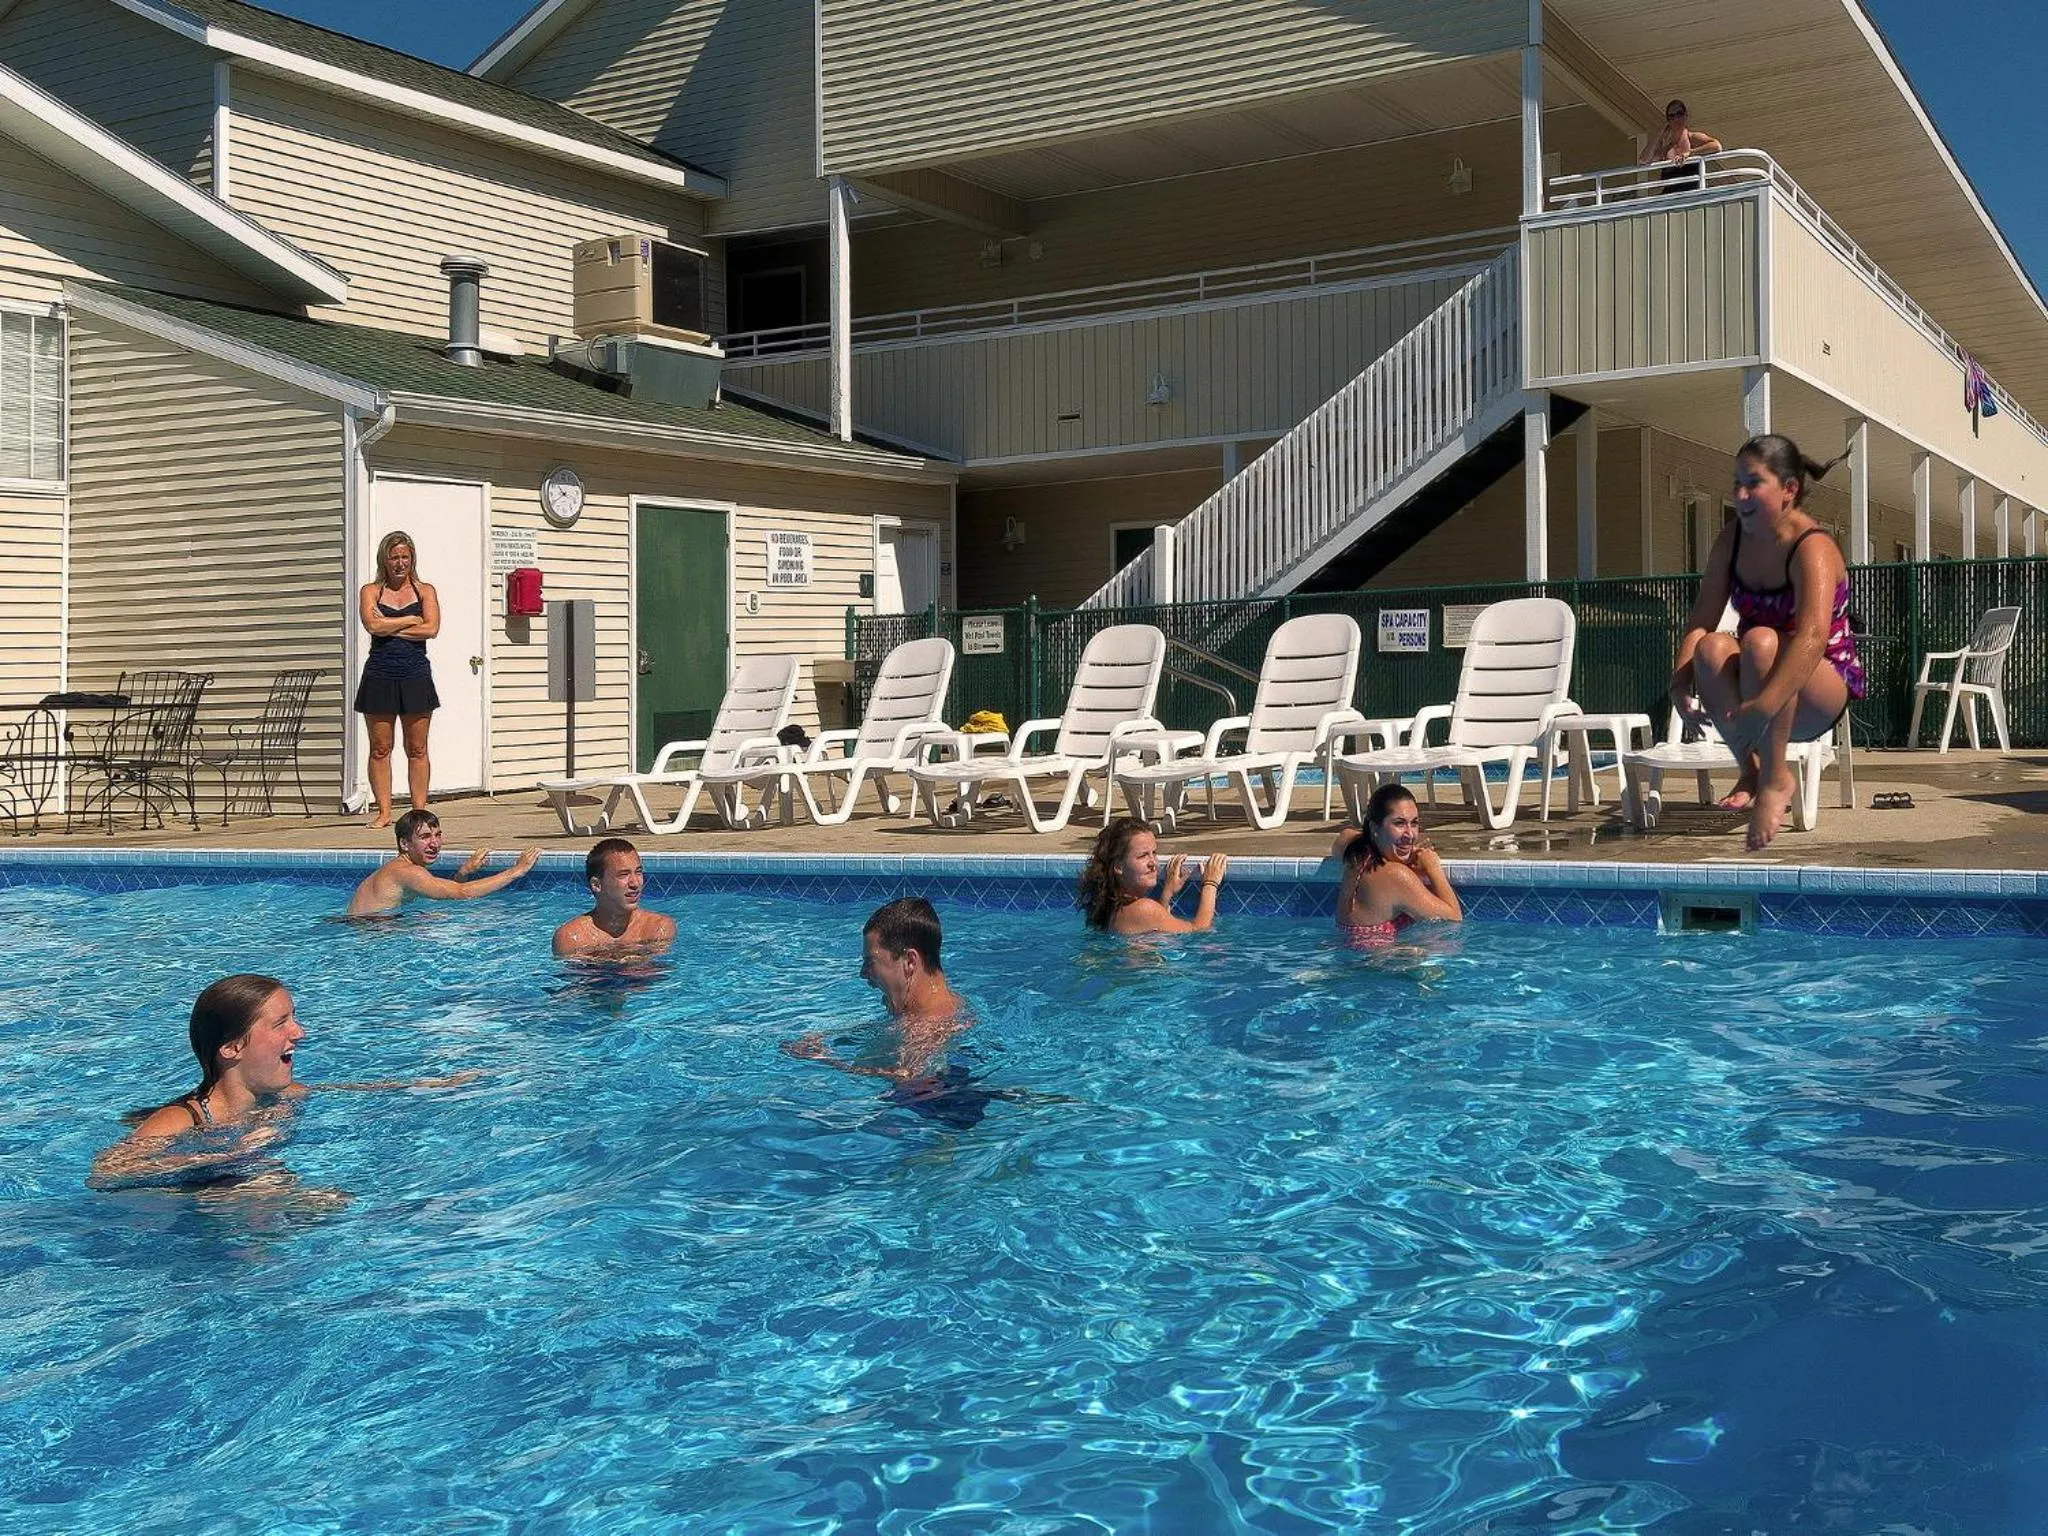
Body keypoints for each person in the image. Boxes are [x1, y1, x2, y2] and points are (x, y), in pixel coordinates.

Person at [89, 974, 475, 1190]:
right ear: (232, 1048)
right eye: (281, 1024)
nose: (300, 1032)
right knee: (268, 1190)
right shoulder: (182, 1121)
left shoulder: (281, 1097)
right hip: (195, 1213)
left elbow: (343, 1091)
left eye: (294, 1017)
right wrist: (226, 1157)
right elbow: (106, 1173)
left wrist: (429, 1085)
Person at [1668, 433, 1866, 850]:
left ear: (1789, 489)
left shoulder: (1812, 547)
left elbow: (1812, 638)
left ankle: (1777, 780)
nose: (1740, 494)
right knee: (1712, 649)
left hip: (1821, 685)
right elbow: (1702, 618)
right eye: (1736, 483)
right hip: (1759, 685)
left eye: (1753, 483)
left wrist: (1765, 703)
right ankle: (1753, 770)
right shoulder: (1730, 541)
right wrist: (1679, 682)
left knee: (1758, 641)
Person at [355, 529, 441, 830]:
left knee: (417, 748)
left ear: (412, 558)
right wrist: (408, 620)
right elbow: (371, 626)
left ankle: (419, 813)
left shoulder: (425, 591)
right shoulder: (371, 591)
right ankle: (384, 812)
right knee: (380, 747)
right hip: (380, 673)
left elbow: (431, 629)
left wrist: (387, 625)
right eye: (394, 557)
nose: (400, 563)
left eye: (405, 556)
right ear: (385, 560)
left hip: (415, 673)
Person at [346, 808, 540, 916]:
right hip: (369, 936)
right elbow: (462, 894)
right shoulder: (409, 873)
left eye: (438, 835)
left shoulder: (397, 868)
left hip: (363, 929)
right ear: (404, 843)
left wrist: (463, 873)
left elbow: (447, 889)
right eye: (424, 837)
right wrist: (516, 870)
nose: (434, 844)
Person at [1331, 784, 1463, 939]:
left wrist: (1393, 846)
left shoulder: (1356, 851)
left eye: (1414, 823)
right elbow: (1453, 919)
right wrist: (1432, 867)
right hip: (1386, 961)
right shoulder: (1395, 875)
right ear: (1375, 828)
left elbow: (1344, 835)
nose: (1410, 835)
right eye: (1399, 823)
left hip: (1355, 955)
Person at [1077, 817, 1228, 936]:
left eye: (1154, 853)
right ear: (1118, 867)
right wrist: (1210, 883)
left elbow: (1152, 929)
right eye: (1143, 856)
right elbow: (1199, 930)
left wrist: (1167, 894)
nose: (1153, 863)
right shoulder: (1143, 909)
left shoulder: (1110, 906)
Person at [553, 838, 677, 959]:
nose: (635, 883)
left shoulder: (658, 928)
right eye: (623, 875)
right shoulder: (570, 938)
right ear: (597, 885)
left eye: (638, 872)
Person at [1638, 98, 1722, 192]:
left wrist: (1690, 153)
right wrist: (1659, 134)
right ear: (1668, 121)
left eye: (1679, 114)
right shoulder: (1666, 150)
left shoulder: (1693, 138)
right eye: (1672, 116)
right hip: (1671, 198)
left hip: (1693, 195)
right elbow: (1643, 159)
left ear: (1685, 116)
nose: (1676, 119)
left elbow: (1716, 146)